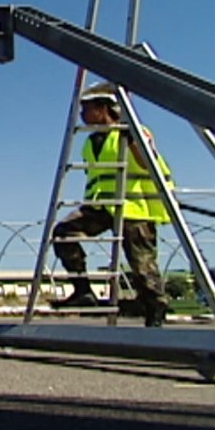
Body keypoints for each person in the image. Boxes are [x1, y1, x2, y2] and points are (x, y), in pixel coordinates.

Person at [50, 82, 174, 327]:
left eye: (87, 108)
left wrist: (131, 133)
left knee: (142, 266)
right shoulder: (90, 142)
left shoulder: (133, 132)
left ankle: (155, 311)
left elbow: (146, 161)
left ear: (103, 108)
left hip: (133, 207)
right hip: (102, 206)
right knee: (64, 233)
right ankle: (83, 291)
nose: (83, 115)